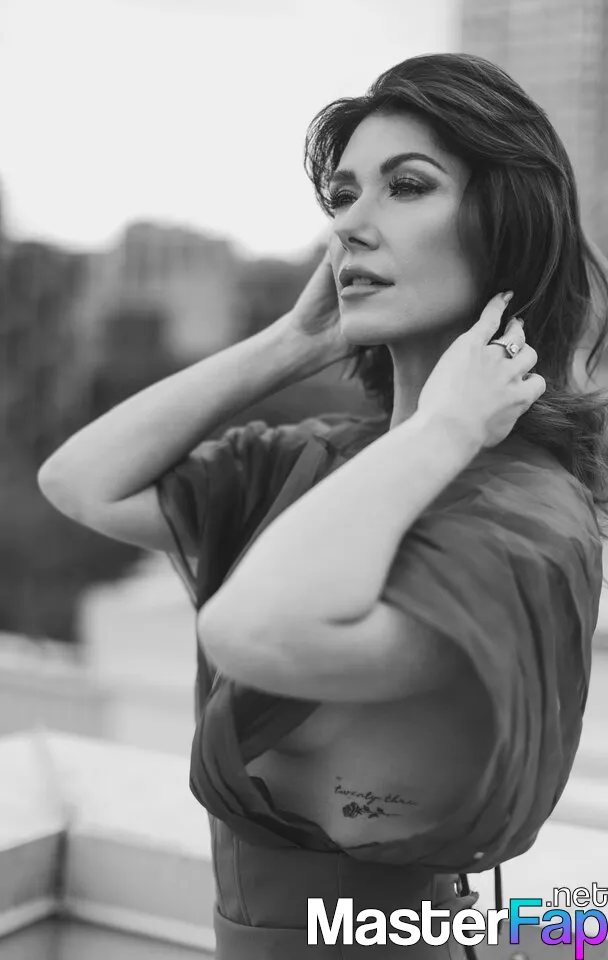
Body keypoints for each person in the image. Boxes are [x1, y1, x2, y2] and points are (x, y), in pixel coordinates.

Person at [38, 52, 608, 958]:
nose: (348, 225)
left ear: (507, 226)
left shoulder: (523, 515)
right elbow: (81, 482)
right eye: (342, 196)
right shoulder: (329, 458)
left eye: (406, 187)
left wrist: (445, 430)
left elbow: (249, 632)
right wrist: (293, 340)